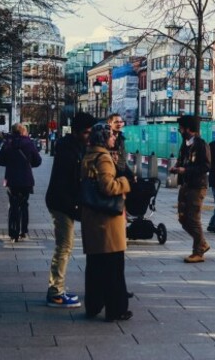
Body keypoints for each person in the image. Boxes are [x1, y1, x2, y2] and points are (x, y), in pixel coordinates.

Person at [80, 124, 132, 321]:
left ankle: (93, 305)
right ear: (103, 138)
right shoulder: (103, 158)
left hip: (92, 218)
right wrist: (126, 183)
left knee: (94, 266)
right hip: (107, 220)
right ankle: (116, 309)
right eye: (111, 135)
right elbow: (108, 187)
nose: (114, 138)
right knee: (114, 268)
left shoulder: (89, 155)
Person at [45, 112, 95, 308]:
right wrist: (74, 206)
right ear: (75, 132)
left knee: (64, 247)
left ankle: (57, 289)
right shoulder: (69, 150)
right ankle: (55, 292)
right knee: (64, 247)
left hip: (63, 202)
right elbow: (67, 182)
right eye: (85, 132)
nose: (88, 136)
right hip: (61, 203)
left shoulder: (74, 146)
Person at [169, 115, 211, 263]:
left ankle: (198, 251)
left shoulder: (201, 144)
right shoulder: (185, 144)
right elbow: (183, 161)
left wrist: (185, 170)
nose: (180, 130)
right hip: (186, 184)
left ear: (188, 128)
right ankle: (203, 243)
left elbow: (205, 166)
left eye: (181, 128)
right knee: (182, 217)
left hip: (197, 186)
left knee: (193, 218)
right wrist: (177, 168)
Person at [0, 123, 42, 240]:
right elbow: (38, 161)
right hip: (26, 179)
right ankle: (23, 231)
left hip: (11, 179)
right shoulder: (29, 143)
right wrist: (28, 163)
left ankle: (13, 232)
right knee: (24, 204)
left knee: (13, 205)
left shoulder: (8, 143)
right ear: (23, 131)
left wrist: (10, 162)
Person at [107, 113, 136, 181]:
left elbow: (122, 160)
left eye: (121, 122)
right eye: (116, 122)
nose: (119, 124)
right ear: (109, 123)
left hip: (121, 173)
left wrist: (131, 174)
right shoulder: (106, 139)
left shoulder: (122, 138)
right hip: (112, 174)